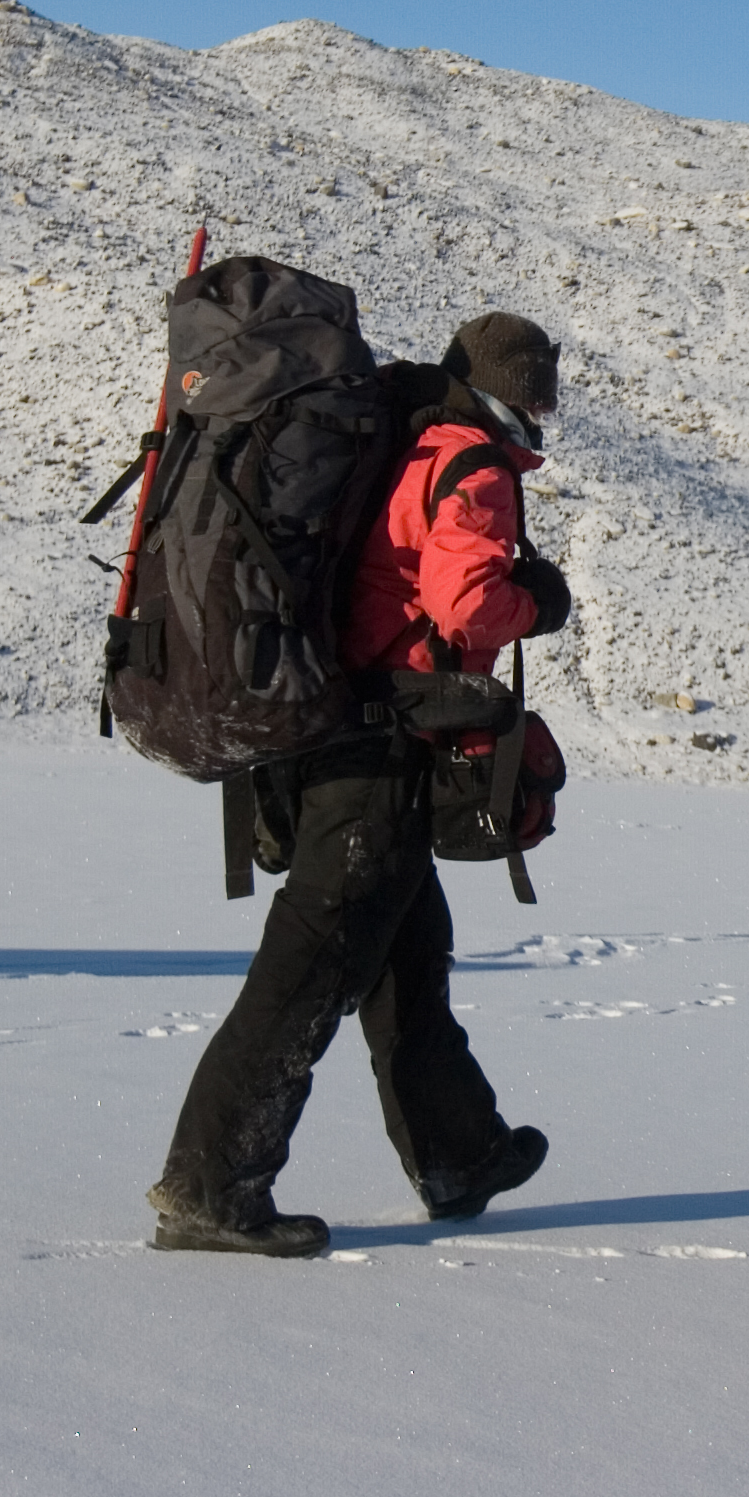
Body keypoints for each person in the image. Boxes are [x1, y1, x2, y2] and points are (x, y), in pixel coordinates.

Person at [145, 313, 574, 1258]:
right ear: (518, 389)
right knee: (307, 970)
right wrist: (537, 602)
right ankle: (210, 1184)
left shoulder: (409, 437)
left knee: (410, 956)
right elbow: (467, 610)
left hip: (333, 728)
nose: (549, 406)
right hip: (380, 745)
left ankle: (460, 1153)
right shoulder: (473, 465)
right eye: (543, 387)